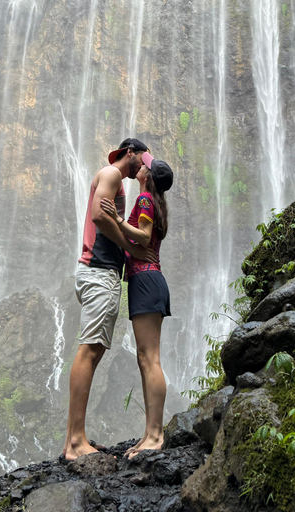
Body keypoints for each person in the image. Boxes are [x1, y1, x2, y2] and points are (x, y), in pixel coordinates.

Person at [62, 138, 157, 462]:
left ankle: (76, 438)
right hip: (99, 271)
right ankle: (75, 442)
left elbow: (108, 219)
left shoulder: (115, 181)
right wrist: (131, 248)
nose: (144, 167)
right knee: (89, 350)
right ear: (129, 153)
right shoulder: (112, 175)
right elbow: (99, 217)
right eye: (142, 160)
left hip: (100, 272)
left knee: (94, 349)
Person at [100, 151, 173, 458]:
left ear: (148, 176)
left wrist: (115, 218)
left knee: (150, 359)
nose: (139, 166)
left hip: (146, 280)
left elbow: (143, 238)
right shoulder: (152, 202)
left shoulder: (144, 199)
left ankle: (155, 435)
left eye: (144, 166)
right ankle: (149, 434)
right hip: (146, 280)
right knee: (145, 359)